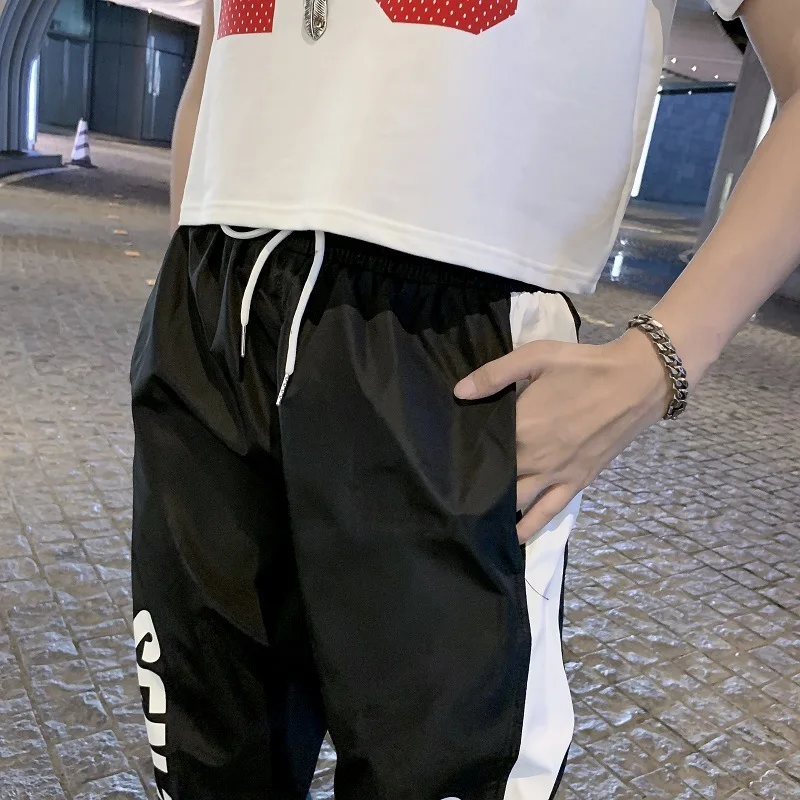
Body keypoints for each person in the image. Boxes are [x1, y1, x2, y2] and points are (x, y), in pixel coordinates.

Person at [130, 0, 800, 797]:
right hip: (211, 300)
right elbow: (218, 50)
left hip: (453, 336)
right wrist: (188, 282)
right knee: (205, 764)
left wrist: (665, 357)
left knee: (438, 770)